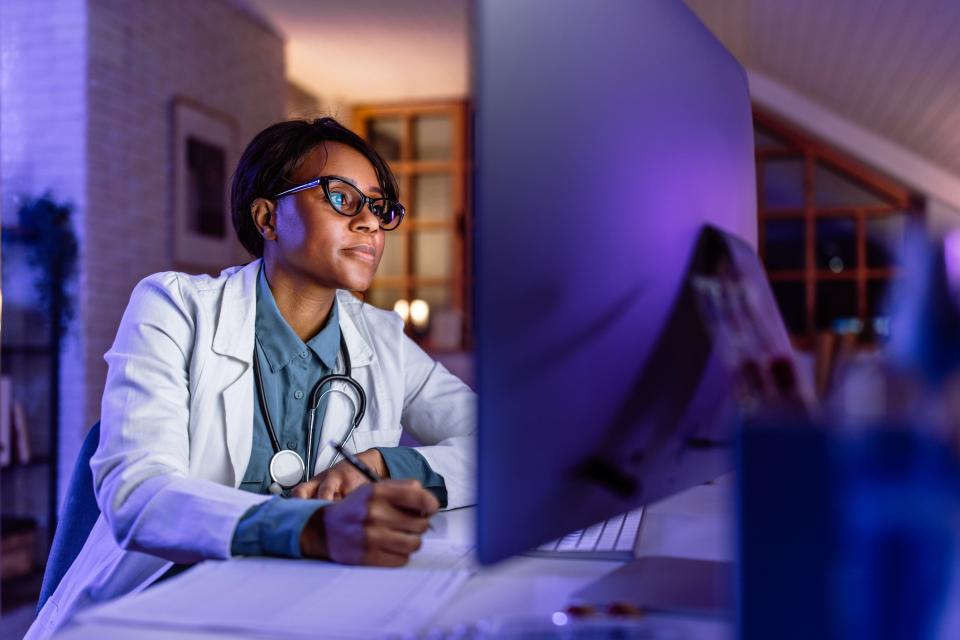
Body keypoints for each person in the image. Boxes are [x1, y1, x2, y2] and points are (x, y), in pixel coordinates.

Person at [28, 118, 476, 639]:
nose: (370, 223)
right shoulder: (173, 308)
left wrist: (381, 466)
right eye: (342, 198)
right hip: (156, 609)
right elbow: (137, 493)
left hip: (300, 606)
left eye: (378, 207)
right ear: (268, 217)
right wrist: (312, 528)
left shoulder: (381, 338)